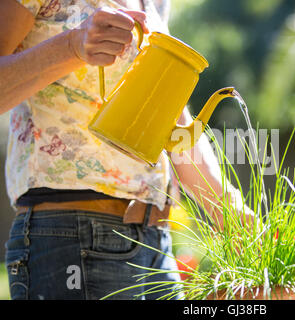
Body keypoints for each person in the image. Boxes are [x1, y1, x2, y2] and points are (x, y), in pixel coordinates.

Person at [0, 0, 252, 299]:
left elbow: (170, 116)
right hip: (70, 233)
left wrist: (227, 207)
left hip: (155, 242)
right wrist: (72, 46)